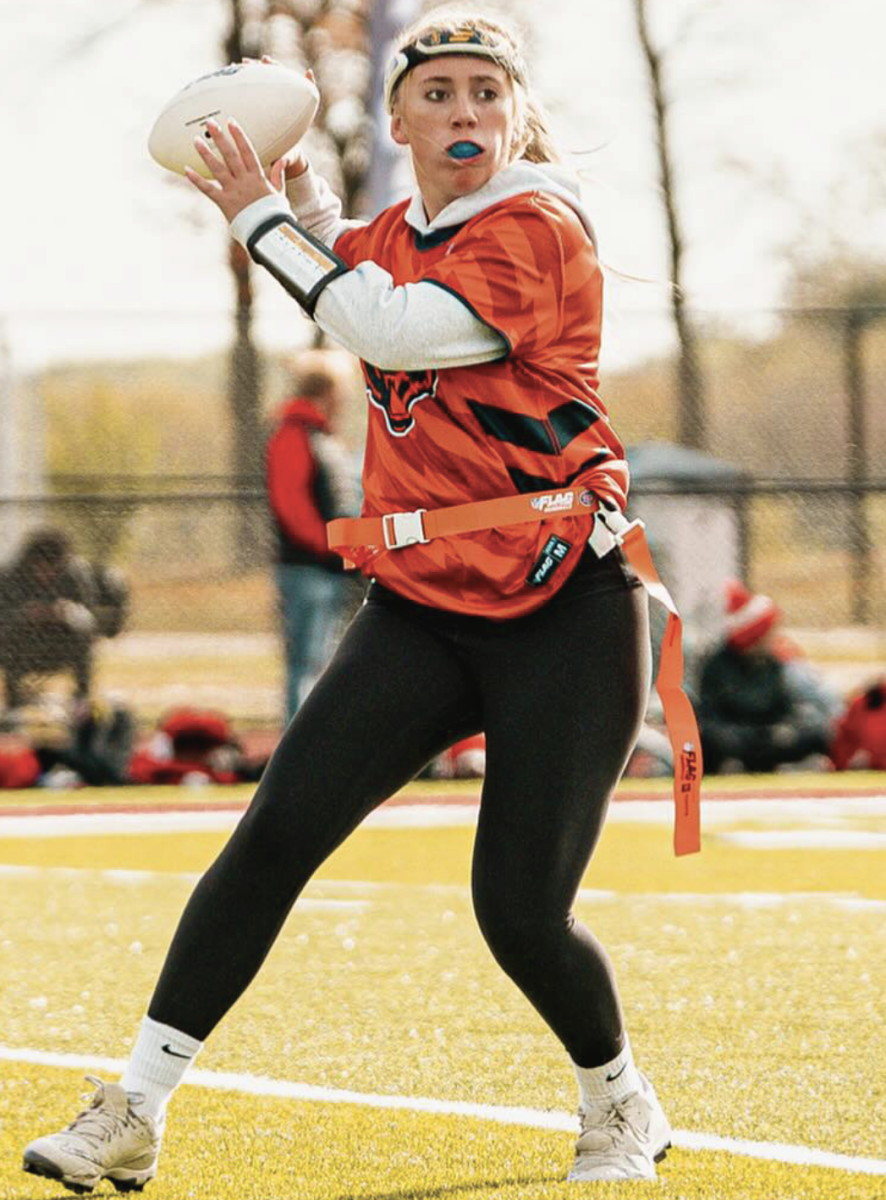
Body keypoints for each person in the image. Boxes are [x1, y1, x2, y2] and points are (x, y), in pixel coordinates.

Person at [23, 10, 701, 1189]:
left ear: (515, 114)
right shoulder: (399, 224)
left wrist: (257, 216)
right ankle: (132, 1106)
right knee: (273, 834)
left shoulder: (538, 224)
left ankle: (619, 1101)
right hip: (427, 606)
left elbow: (386, 320)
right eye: (435, 94)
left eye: (484, 92)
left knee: (519, 912)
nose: (463, 114)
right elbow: (361, 256)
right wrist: (289, 193)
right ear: (395, 122)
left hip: (566, 610)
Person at [266, 349, 361, 721]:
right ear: (329, 391)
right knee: (306, 664)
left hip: (330, 569)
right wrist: (333, 547)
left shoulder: (321, 437)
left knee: (322, 663)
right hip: (309, 570)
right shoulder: (294, 436)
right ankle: (299, 749)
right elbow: (292, 508)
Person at [697, 579, 839, 774]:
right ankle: (733, 766)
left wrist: (785, 728)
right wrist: (739, 733)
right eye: (768, 632)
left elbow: (794, 707)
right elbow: (710, 714)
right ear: (754, 638)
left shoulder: (778, 662)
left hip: (771, 733)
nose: (774, 636)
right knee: (711, 739)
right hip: (736, 734)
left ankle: (785, 765)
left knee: (815, 733)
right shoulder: (717, 666)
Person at [0, 529, 102, 711]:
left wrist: (67, 612)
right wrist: (25, 614)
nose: (48, 574)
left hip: (63, 641)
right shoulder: (12, 574)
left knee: (84, 630)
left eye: (55, 569)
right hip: (24, 644)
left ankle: (81, 699)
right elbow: (4, 615)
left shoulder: (76, 573)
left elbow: (89, 614)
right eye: (41, 568)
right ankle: (13, 703)